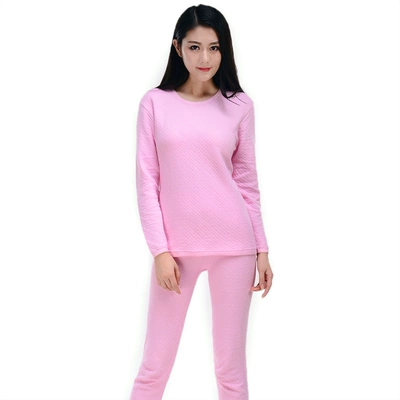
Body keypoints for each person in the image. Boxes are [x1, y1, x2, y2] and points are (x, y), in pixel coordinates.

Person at [130, 4, 274, 400]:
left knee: (231, 372)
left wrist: (262, 249)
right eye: (194, 47)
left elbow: (247, 183)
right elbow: (147, 182)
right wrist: (160, 251)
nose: (205, 58)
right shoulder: (154, 103)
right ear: (178, 48)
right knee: (154, 367)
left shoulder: (240, 105)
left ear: (224, 49)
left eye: (214, 47)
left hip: (235, 246)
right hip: (176, 252)